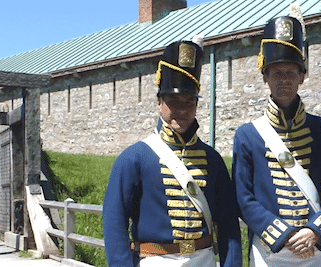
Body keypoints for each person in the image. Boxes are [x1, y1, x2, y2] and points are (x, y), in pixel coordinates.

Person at [103, 38, 242, 267]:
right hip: (156, 260)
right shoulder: (134, 158)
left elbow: (228, 225)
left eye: (189, 101)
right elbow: (114, 221)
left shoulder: (212, 159)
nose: (182, 109)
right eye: (173, 101)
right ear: (159, 102)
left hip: (204, 259)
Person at [231, 6, 321, 267]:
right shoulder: (247, 136)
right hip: (269, 250)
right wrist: (282, 235)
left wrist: (314, 231)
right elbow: (243, 197)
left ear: (302, 77)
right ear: (265, 78)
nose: (284, 80)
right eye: (277, 73)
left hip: (312, 248)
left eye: (290, 73)